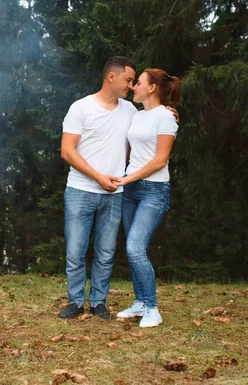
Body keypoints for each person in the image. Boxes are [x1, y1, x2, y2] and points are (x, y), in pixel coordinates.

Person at [58, 56, 138, 320]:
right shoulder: (81, 108)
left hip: (114, 193)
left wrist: (168, 113)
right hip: (80, 191)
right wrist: (97, 176)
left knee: (105, 253)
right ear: (111, 77)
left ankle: (99, 302)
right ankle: (76, 302)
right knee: (75, 251)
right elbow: (67, 151)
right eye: (128, 80)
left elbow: (148, 132)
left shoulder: (130, 111)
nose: (131, 85)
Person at [113, 69, 182, 327]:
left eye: (138, 83)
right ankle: (140, 302)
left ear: (152, 87)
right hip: (130, 192)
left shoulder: (165, 117)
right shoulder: (138, 115)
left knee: (134, 247)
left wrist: (127, 178)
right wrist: (127, 180)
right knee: (133, 250)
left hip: (153, 191)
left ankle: (152, 308)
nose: (134, 87)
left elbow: (160, 160)